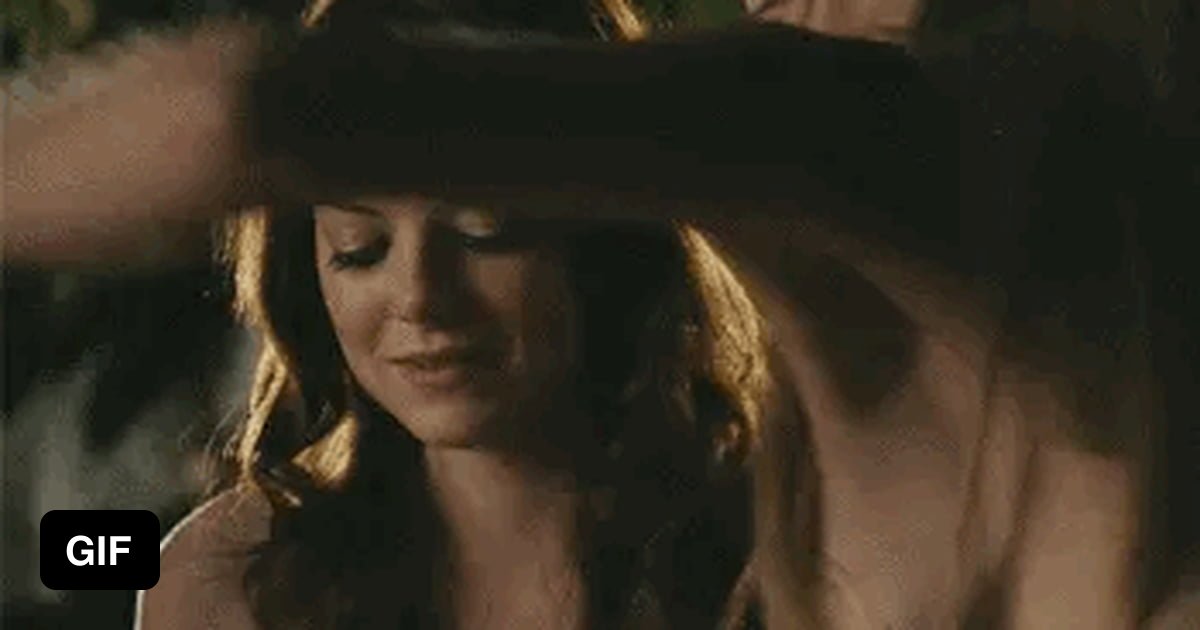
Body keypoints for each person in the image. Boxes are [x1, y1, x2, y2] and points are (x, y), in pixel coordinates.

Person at [4, 0, 1174, 627]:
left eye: (488, 232)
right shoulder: (231, 572)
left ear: (607, 245)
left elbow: (246, 108)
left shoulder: (931, 128)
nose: (419, 299)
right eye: (357, 248)